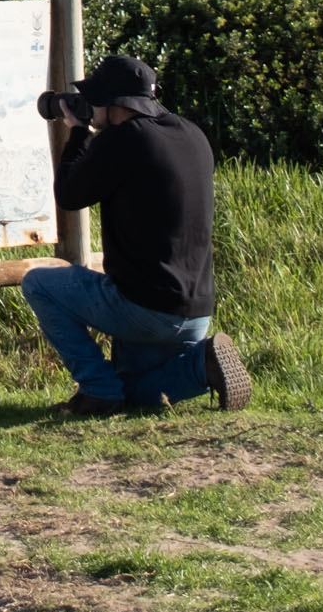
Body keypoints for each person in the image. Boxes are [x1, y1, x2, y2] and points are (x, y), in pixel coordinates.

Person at [24, 51, 251, 416]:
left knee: (38, 283)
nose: (92, 106)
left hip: (145, 309)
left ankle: (97, 389)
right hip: (196, 312)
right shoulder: (192, 134)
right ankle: (202, 362)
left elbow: (69, 196)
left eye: (96, 99)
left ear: (116, 104)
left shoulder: (124, 140)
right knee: (132, 393)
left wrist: (79, 132)